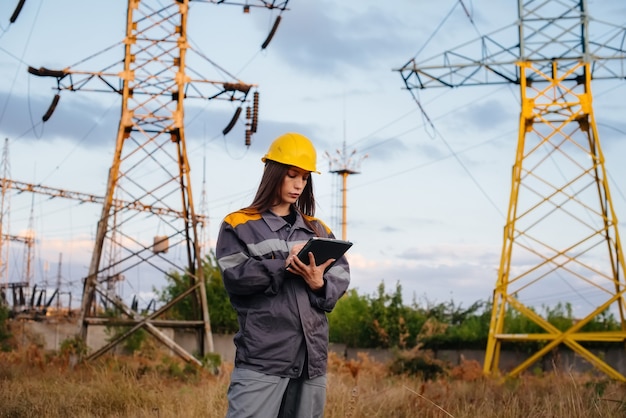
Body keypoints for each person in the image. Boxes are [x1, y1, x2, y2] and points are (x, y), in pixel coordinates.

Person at [216, 132, 351, 418]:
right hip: (263, 358)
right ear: (273, 172)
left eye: (304, 177)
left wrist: (319, 284)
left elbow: (340, 276)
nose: (299, 184)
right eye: (292, 175)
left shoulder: (319, 230)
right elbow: (235, 277)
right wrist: (284, 265)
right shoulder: (239, 224)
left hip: (309, 362)